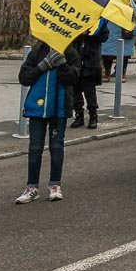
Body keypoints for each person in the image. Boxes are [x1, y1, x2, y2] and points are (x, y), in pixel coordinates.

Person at [15, 41, 81, 203]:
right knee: (35, 147)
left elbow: (74, 78)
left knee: (57, 146)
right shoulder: (37, 51)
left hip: (59, 108)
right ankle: (32, 187)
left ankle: (55, 185)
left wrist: (62, 64)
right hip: (37, 109)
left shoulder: (71, 52)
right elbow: (24, 78)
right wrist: (42, 66)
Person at [68, 18, 107, 130]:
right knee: (76, 91)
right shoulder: (77, 18)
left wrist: (89, 33)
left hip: (91, 62)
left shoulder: (99, 21)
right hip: (76, 60)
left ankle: (93, 116)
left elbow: (104, 37)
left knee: (90, 92)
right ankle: (79, 116)